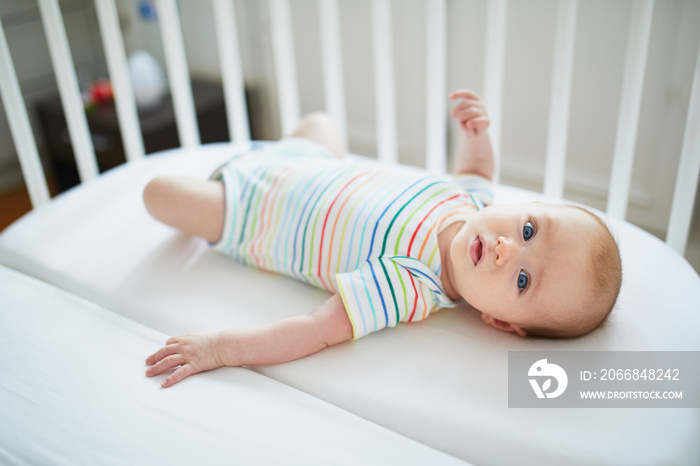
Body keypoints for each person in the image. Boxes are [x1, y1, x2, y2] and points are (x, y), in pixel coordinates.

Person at [143, 90, 622, 388]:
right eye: (528, 230)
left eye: (522, 280)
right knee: (321, 122)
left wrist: (220, 348)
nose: (506, 250)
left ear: (499, 321)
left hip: (248, 211)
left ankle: (223, 177)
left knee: (156, 194)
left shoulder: (411, 286)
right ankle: (294, 145)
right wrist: (476, 132)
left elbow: (314, 329)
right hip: (311, 162)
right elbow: (477, 168)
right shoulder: (473, 203)